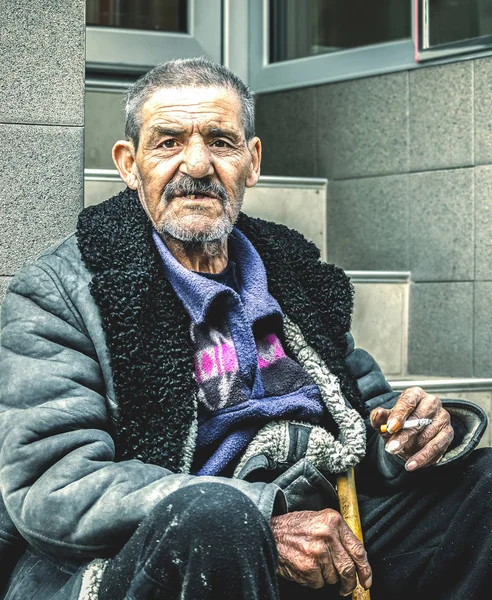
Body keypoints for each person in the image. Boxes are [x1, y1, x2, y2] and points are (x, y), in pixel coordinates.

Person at [0, 57, 490, 600]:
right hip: (175, 547)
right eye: (167, 142)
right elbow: (54, 488)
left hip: (326, 522)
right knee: (216, 521)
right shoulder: (62, 291)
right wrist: (261, 518)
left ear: (252, 162)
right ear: (128, 164)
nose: (197, 163)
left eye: (221, 141)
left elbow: (366, 416)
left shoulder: (292, 270)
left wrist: (412, 435)